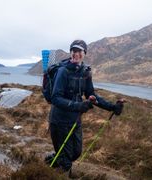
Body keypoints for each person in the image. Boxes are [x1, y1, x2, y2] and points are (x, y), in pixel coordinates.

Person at [45, 40, 123, 172]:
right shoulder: (63, 71)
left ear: (84, 53)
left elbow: (91, 95)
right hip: (59, 121)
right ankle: (53, 170)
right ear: (70, 53)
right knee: (66, 161)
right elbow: (55, 98)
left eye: (79, 51)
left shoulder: (85, 72)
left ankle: (50, 162)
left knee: (76, 153)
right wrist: (78, 106)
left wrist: (112, 107)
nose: (76, 54)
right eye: (73, 51)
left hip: (75, 120)